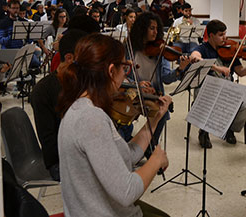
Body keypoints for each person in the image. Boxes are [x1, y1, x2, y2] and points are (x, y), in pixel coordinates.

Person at [57, 33, 171, 217]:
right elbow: (127, 192)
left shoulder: (80, 106)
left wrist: (156, 117)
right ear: (111, 71)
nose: (126, 76)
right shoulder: (91, 119)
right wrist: (156, 159)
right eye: (124, 68)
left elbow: (128, 154)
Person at [190, 19, 246, 148]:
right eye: (221, 35)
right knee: (206, 102)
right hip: (208, 88)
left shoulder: (230, 50)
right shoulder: (203, 48)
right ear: (211, 35)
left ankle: (229, 129)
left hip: (228, 87)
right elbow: (194, 57)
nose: (225, 37)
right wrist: (217, 68)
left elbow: (241, 72)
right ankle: (203, 131)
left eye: (225, 34)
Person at [31, 29, 88, 181]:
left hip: (78, 151)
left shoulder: (79, 81)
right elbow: (52, 145)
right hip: (60, 161)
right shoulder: (44, 90)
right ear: (69, 58)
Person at [129, 11, 190, 149]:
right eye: (152, 28)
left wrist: (180, 69)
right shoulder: (130, 48)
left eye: (157, 28)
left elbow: (166, 79)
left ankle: (151, 145)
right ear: (142, 29)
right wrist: (135, 84)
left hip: (153, 93)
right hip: (133, 91)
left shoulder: (160, 50)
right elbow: (122, 74)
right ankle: (129, 142)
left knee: (162, 111)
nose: (156, 32)